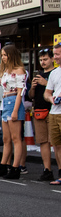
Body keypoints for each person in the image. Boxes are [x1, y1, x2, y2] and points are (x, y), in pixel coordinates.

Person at [0, 44, 27, 179]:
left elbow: (20, 92)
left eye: (5, 55)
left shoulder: (19, 70)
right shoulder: (6, 72)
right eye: (2, 55)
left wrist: (16, 110)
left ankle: (16, 168)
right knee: (6, 138)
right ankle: (4, 165)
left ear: (11, 55)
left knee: (16, 138)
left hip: (14, 100)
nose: (3, 57)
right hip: (5, 101)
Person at [27, 48, 54, 181]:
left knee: (55, 142)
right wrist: (32, 87)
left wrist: (46, 83)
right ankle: (47, 169)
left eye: (45, 59)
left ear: (52, 59)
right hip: (38, 111)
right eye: (41, 60)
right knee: (43, 142)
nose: (42, 62)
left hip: (52, 111)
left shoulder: (56, 73)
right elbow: (31, 96)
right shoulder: (38, 74)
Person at [44, 43, 61, 185]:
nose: (55, 57)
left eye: (58, 54)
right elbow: (47, 93)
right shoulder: (54, 73)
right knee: (57, 145)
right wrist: (51, 99)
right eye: (54, 54)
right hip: (54, 112)